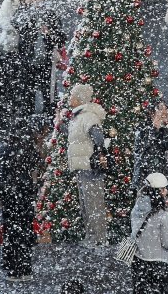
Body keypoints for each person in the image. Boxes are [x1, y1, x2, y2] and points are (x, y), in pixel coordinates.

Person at [62, 83, 109, 247]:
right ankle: (91, 236)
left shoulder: (88, 116)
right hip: (81, 167)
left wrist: (99, 153)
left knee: (94, 205)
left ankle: (100, 239)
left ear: (79, 99)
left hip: (89, 167)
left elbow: (98, 137)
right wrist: (60, 124)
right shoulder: (78, 117)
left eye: (72, 96)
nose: (70, 98)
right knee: (86, 206)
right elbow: (75, 137)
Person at [0, 127, 42, 282]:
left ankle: (13, 269)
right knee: (25, 230)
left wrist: (0, 193)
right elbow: (34, 166)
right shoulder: (29, 149)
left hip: (11, 197)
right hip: (25, 195)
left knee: (11, 233)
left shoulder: (5, 150)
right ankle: (25, 267)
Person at [130, 174, 168, 294]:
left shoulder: (137, 208)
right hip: (158, 264)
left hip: (138, 261)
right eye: (163, 189)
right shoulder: (164, 215)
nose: (166, 192)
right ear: (157, 192)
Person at [132, 102, 168, 191]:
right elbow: (141, 152)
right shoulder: (141, 129)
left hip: (162, 183)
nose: (165, 112)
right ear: (153, 112)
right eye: (162, 109)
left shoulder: (167, 133)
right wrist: (155, 127)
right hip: (144, 182)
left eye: (166, 109)